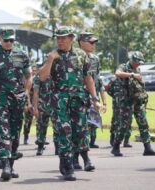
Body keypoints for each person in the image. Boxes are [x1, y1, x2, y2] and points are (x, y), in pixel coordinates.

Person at [39, 26, 101, 181]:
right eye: (58, 38)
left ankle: (80, 158)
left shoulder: (81, 55)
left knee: (80, 131)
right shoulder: (52, 55)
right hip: (59, 101)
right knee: (64, 132)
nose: (60, 41)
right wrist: (51, 59)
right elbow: (42, 77)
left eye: (63, 38)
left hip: (78, 100)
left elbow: (88, 77)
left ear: (72, 38)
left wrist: (95, 99)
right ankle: (68, 166)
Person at [0, 27, 32, 181]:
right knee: (4, 131)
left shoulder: (22, 55)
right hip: (0, 100)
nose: (9, 42)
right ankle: (5, 166)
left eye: (12, 40)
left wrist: (26, 93)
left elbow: (29, 76)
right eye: (6, 40)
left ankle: (10, 165)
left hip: (18, 100)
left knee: (15, 134)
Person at [111, 51, 155, 156]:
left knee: (143, 124)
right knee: (124, 126)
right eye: (137, 62)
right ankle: (116, 146)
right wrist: (132, 74)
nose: (138, 64)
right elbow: (117, 73)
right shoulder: (123, 67)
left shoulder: (138, 69)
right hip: (126, 102)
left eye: (140, 62)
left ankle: (147, 148)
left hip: (138, 101)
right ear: (132, 60)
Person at [78, 32, 107, 149]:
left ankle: (91, 141)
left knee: (94, 119)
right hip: (78, 95)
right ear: (81, 43)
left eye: (94, 43)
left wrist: (103, 101)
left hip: (93, 94)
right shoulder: (74, 57)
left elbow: (98, 80)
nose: (93, 45)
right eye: (91, 42)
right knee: (79, 121)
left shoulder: (95, 59)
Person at [33, 63, 53, 156]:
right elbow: (35, 93)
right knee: (41, 127)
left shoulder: (55, 76)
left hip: (55, 104)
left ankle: (58, 147)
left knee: (58, 127)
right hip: (42, 105)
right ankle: (40, 147)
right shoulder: (38, 78)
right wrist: (35, 108)